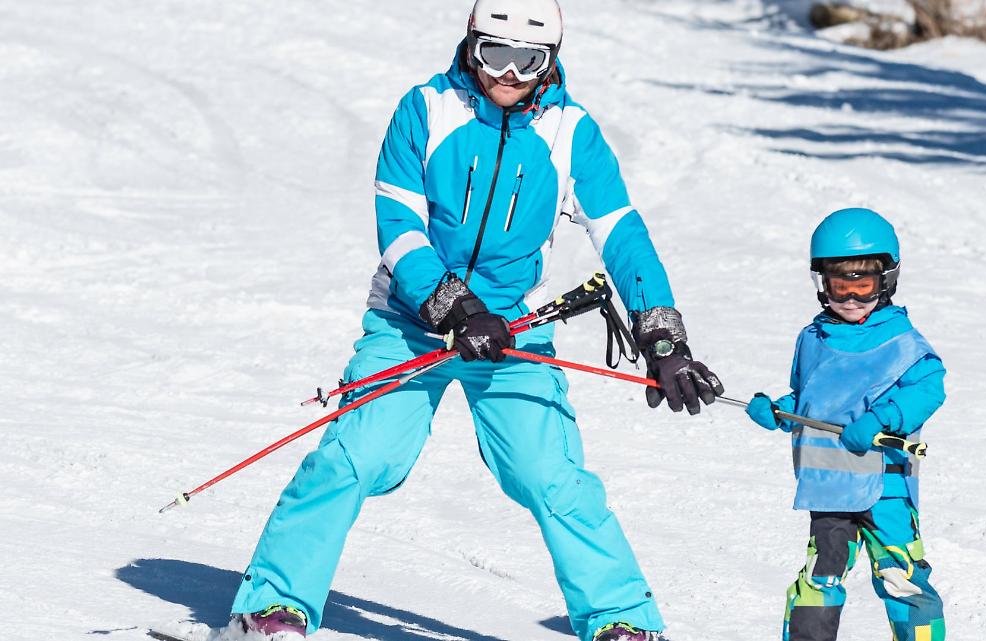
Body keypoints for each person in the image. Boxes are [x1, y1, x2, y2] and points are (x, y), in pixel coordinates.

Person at [228, 1, 723, 640]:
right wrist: (455, 306)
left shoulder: (571, 132)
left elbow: (622, 234)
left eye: (529, 60)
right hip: (413, 317)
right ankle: (271, 607)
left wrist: (662, 336)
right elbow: (398, 226)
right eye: (497, 56)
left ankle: (622, 621)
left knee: (549, 474)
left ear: (552, 61)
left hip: (514, 328)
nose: (510, 74)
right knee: (358, 455)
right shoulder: (426, 110)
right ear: (471, 45)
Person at [746, 208, 947, 641]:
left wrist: (880, 417)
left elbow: (928, 389)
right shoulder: (813, 338)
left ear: (886, 280)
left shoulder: (902, 341)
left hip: (885, 487)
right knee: (821, 577)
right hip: (831, 488)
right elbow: (811, 401)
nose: (852, 298)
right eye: (841, 286)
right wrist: (780, 411)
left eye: (863, 285)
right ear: (822, 283)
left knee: (901, 577)